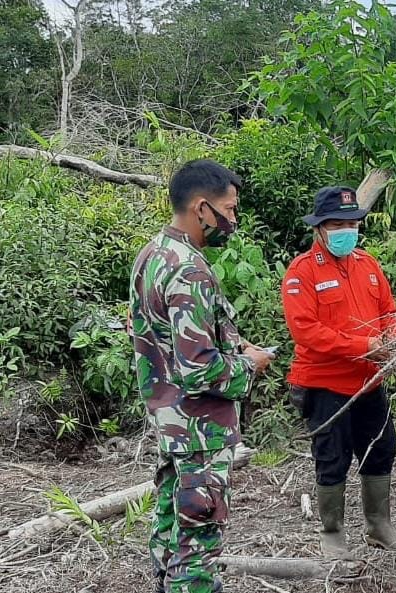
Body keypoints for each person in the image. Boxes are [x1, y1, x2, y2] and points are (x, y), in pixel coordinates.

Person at [129, 159, 275, 593]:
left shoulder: (152, 254)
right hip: (198, 428)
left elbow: (168, 342)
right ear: (200, 207)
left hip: (170, 423)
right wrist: (252, 363)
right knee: (198, 539)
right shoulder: (189, 269)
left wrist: (235, 345)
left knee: (171, 525)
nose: (233, 220)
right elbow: (199, 368)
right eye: (228, 210)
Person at [281, 186, 396, 557]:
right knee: (332, 456)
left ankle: (379, 525)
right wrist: (365, 346)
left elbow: (389, 312)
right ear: (319, 229)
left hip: (370, 381)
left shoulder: (368, 265)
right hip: (325, 384)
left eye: (352, 223)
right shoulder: (302, 272)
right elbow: (306, 331)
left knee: (381, 448)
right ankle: (332, 532)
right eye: (336, 223)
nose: (346, 230)